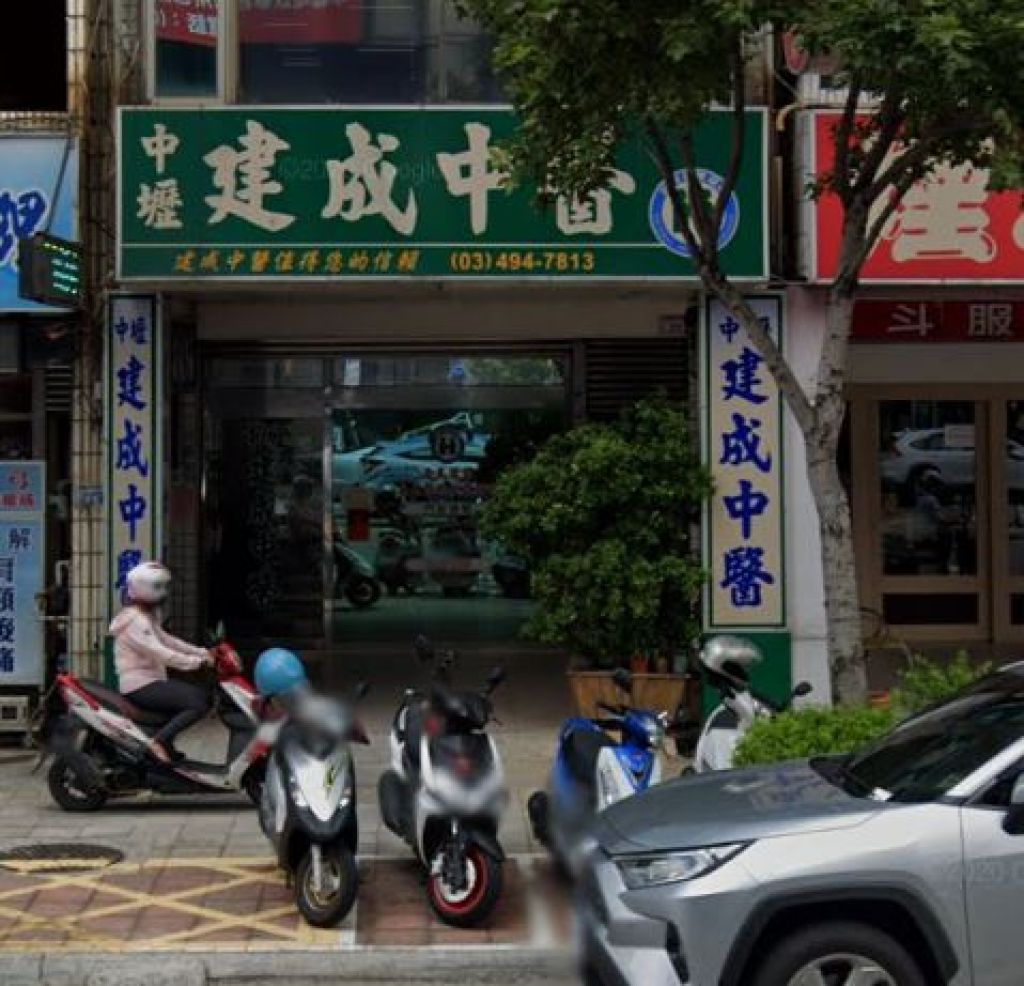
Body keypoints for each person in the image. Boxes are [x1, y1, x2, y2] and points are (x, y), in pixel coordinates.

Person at [110, 560, 214, 763]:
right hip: (141, 685)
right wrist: (197, 662)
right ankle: (158, 742)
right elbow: (161, 653)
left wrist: (202, 652)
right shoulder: (136, 622)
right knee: (198, 703)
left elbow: (168, 640)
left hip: (151, 681)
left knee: (196, 696)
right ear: (144, 588)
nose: (164, 592)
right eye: (158, 587)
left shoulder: (144, 616)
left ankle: (166, 742)